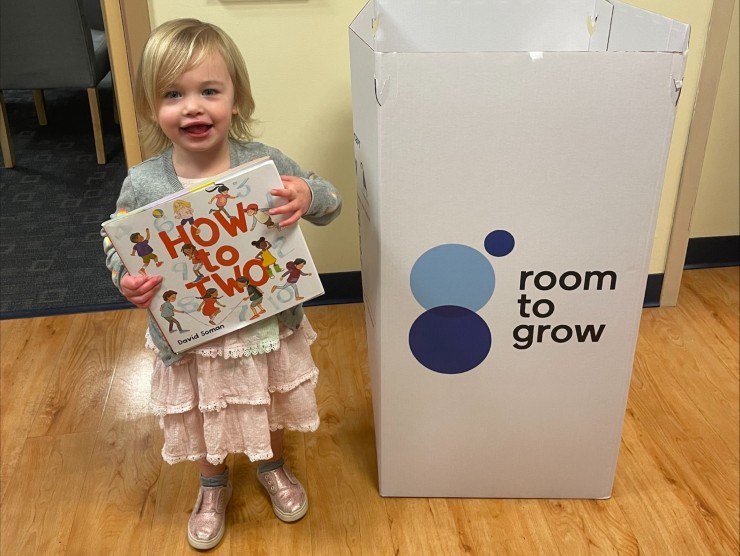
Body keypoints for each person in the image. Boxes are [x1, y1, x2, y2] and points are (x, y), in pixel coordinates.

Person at [102, 18, 341, 551]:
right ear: (149, 106)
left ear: (237, 100)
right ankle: (212, 485)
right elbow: (117, 243)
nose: (192, 107)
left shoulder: (266, 164)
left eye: (209, 91)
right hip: (195, 336)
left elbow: (329, 201)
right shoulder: (143, 182)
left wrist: (307, 194)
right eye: (172, 94)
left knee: (267, 400)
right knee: (207, 407)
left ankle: (270, 464)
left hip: (264, 322)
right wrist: (127, 279)